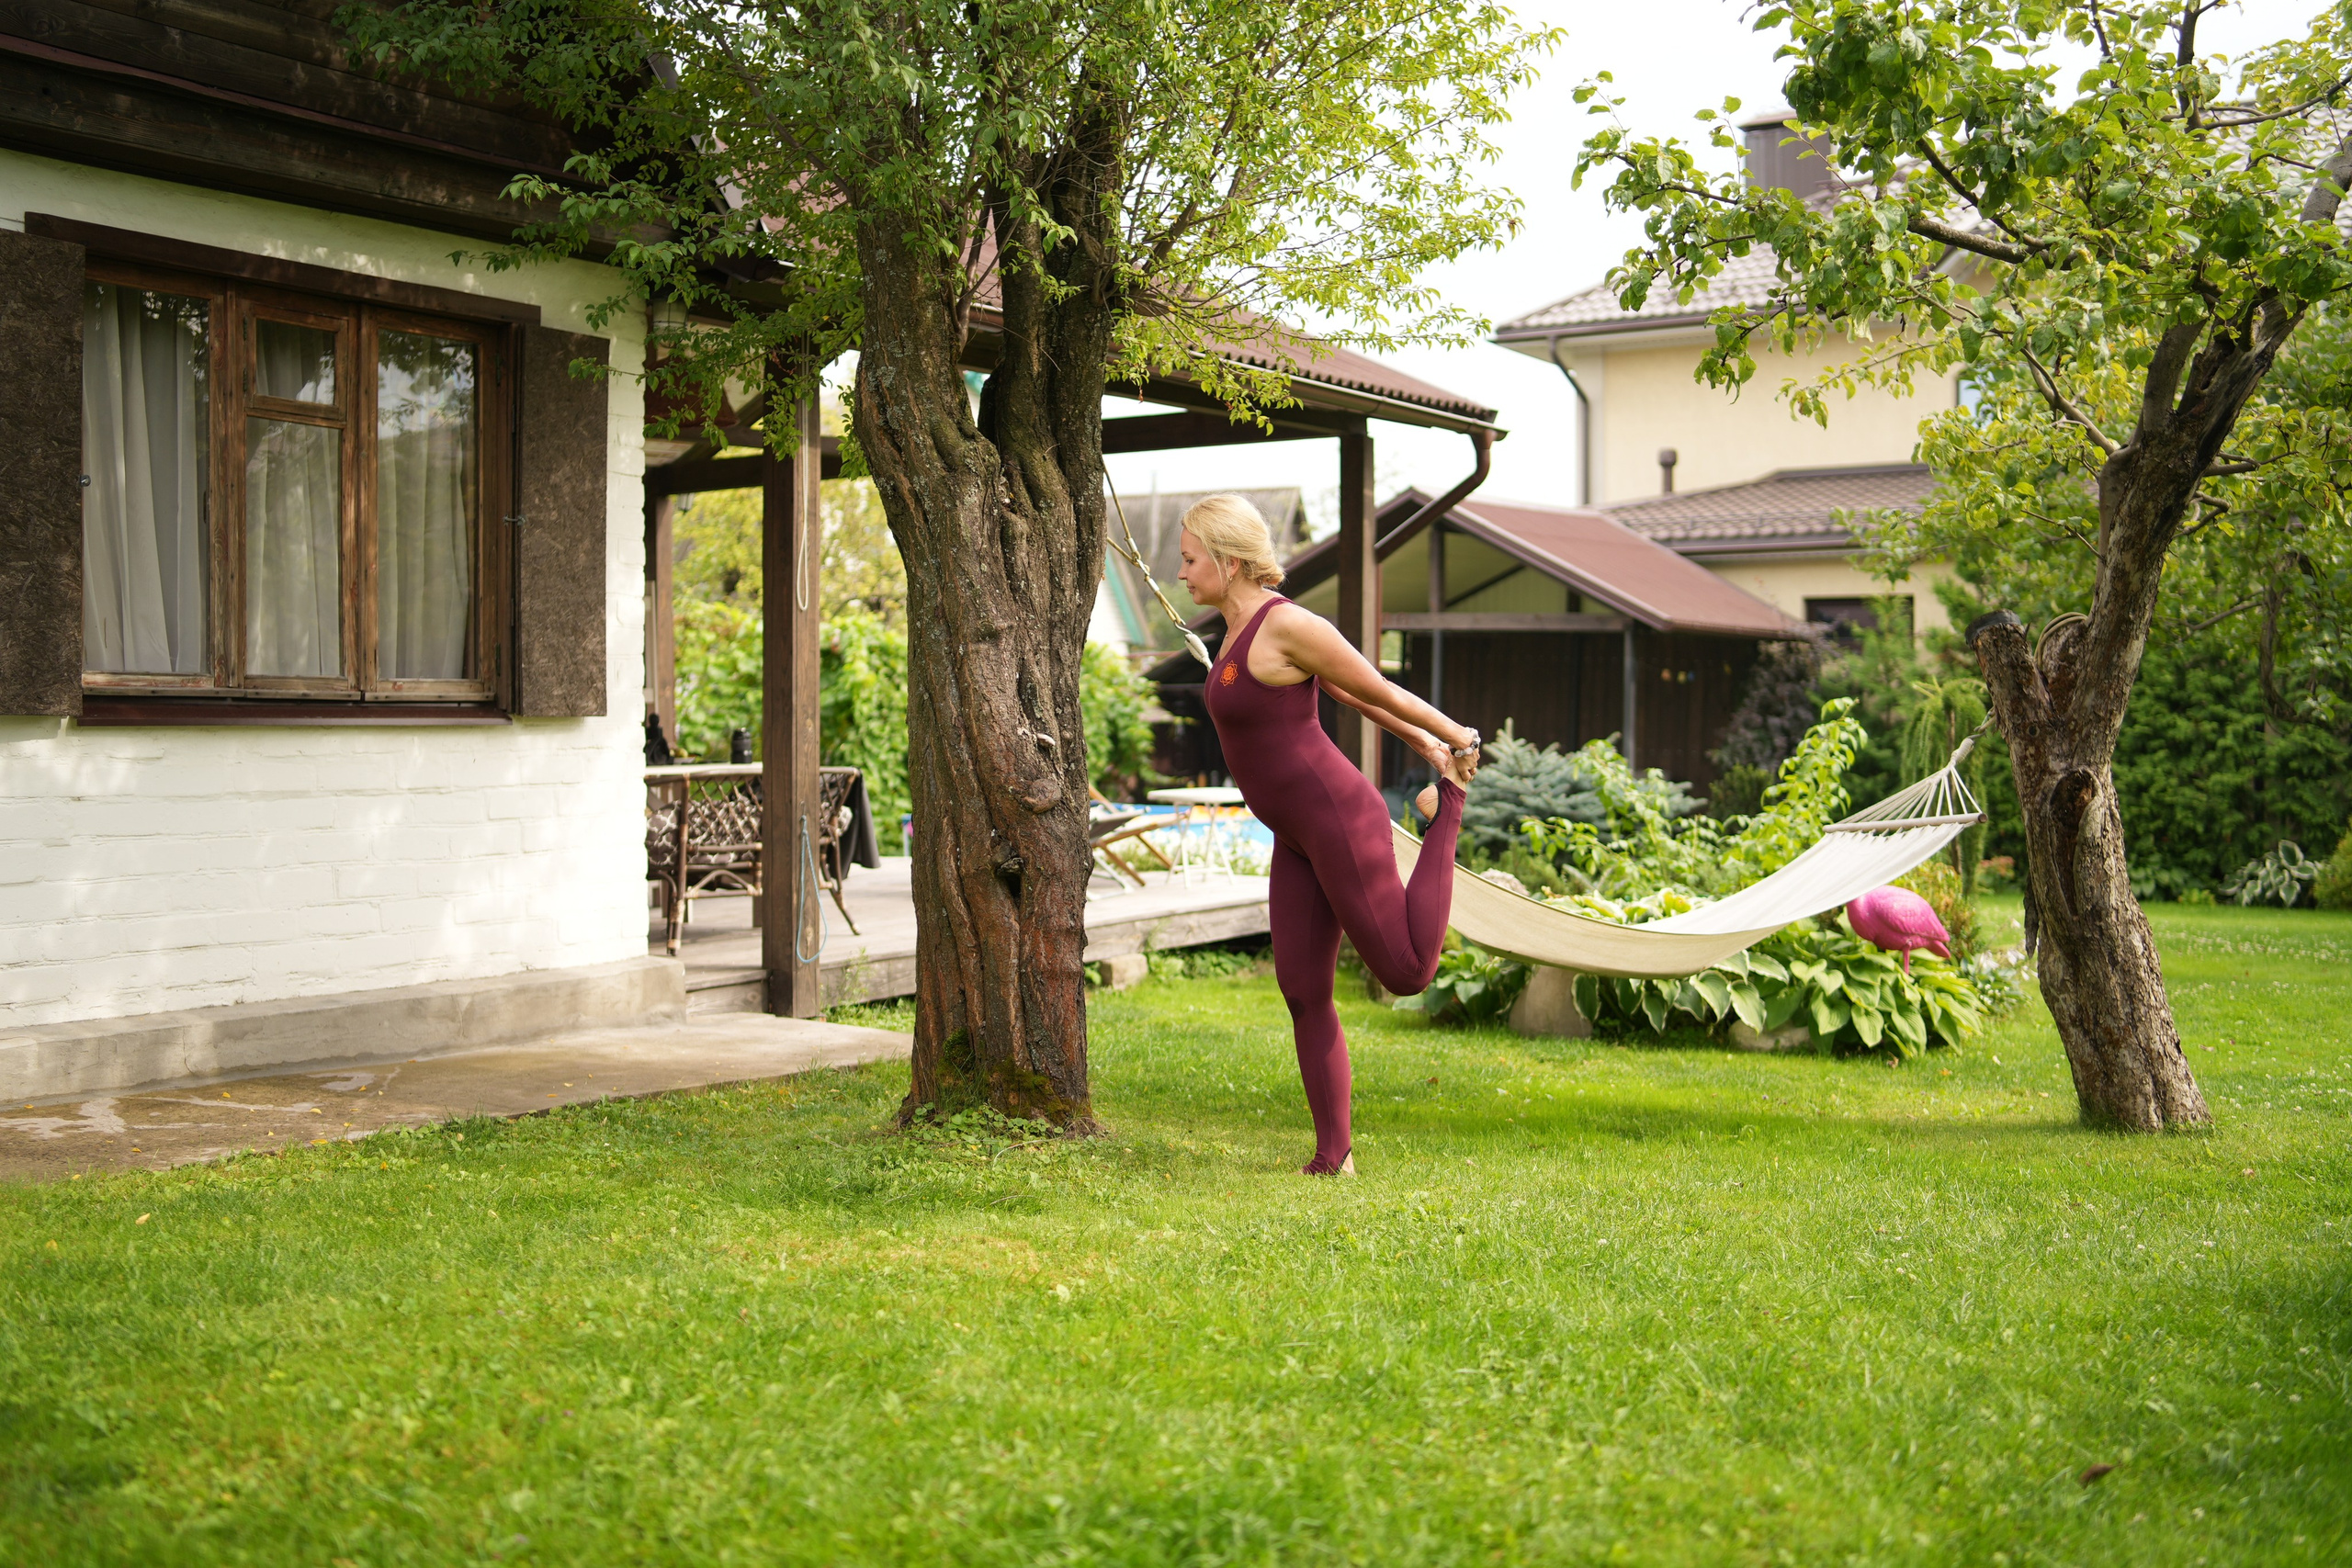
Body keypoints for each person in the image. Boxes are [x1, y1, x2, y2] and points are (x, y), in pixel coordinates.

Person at [1174, 494, 1481, 1176]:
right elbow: (1344, 696)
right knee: (1302, 988)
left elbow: (1376, 686)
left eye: (1191, 559)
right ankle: (1332, 1154)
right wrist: (1421, 746)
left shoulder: (1288, 624)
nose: (1182, 572)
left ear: (1229, 562)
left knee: (1407, 972)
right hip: (1294, 835)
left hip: (1337, 816)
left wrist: (1454, 740)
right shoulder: (1232, 632)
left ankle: (1449, 809)